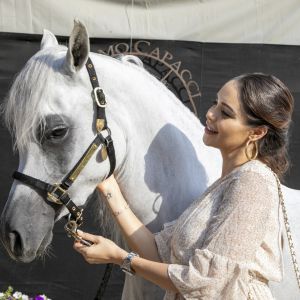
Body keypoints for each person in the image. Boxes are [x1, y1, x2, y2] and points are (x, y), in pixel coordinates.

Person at [73, 73, 294, 299]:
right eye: (214, 103)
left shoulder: (253, 182)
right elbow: (157, 254)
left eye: (225, 113)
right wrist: (109, 187)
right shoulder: (222, 186)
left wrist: (120, 257)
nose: (210, 114)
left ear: (256, 132)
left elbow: (205, 283)